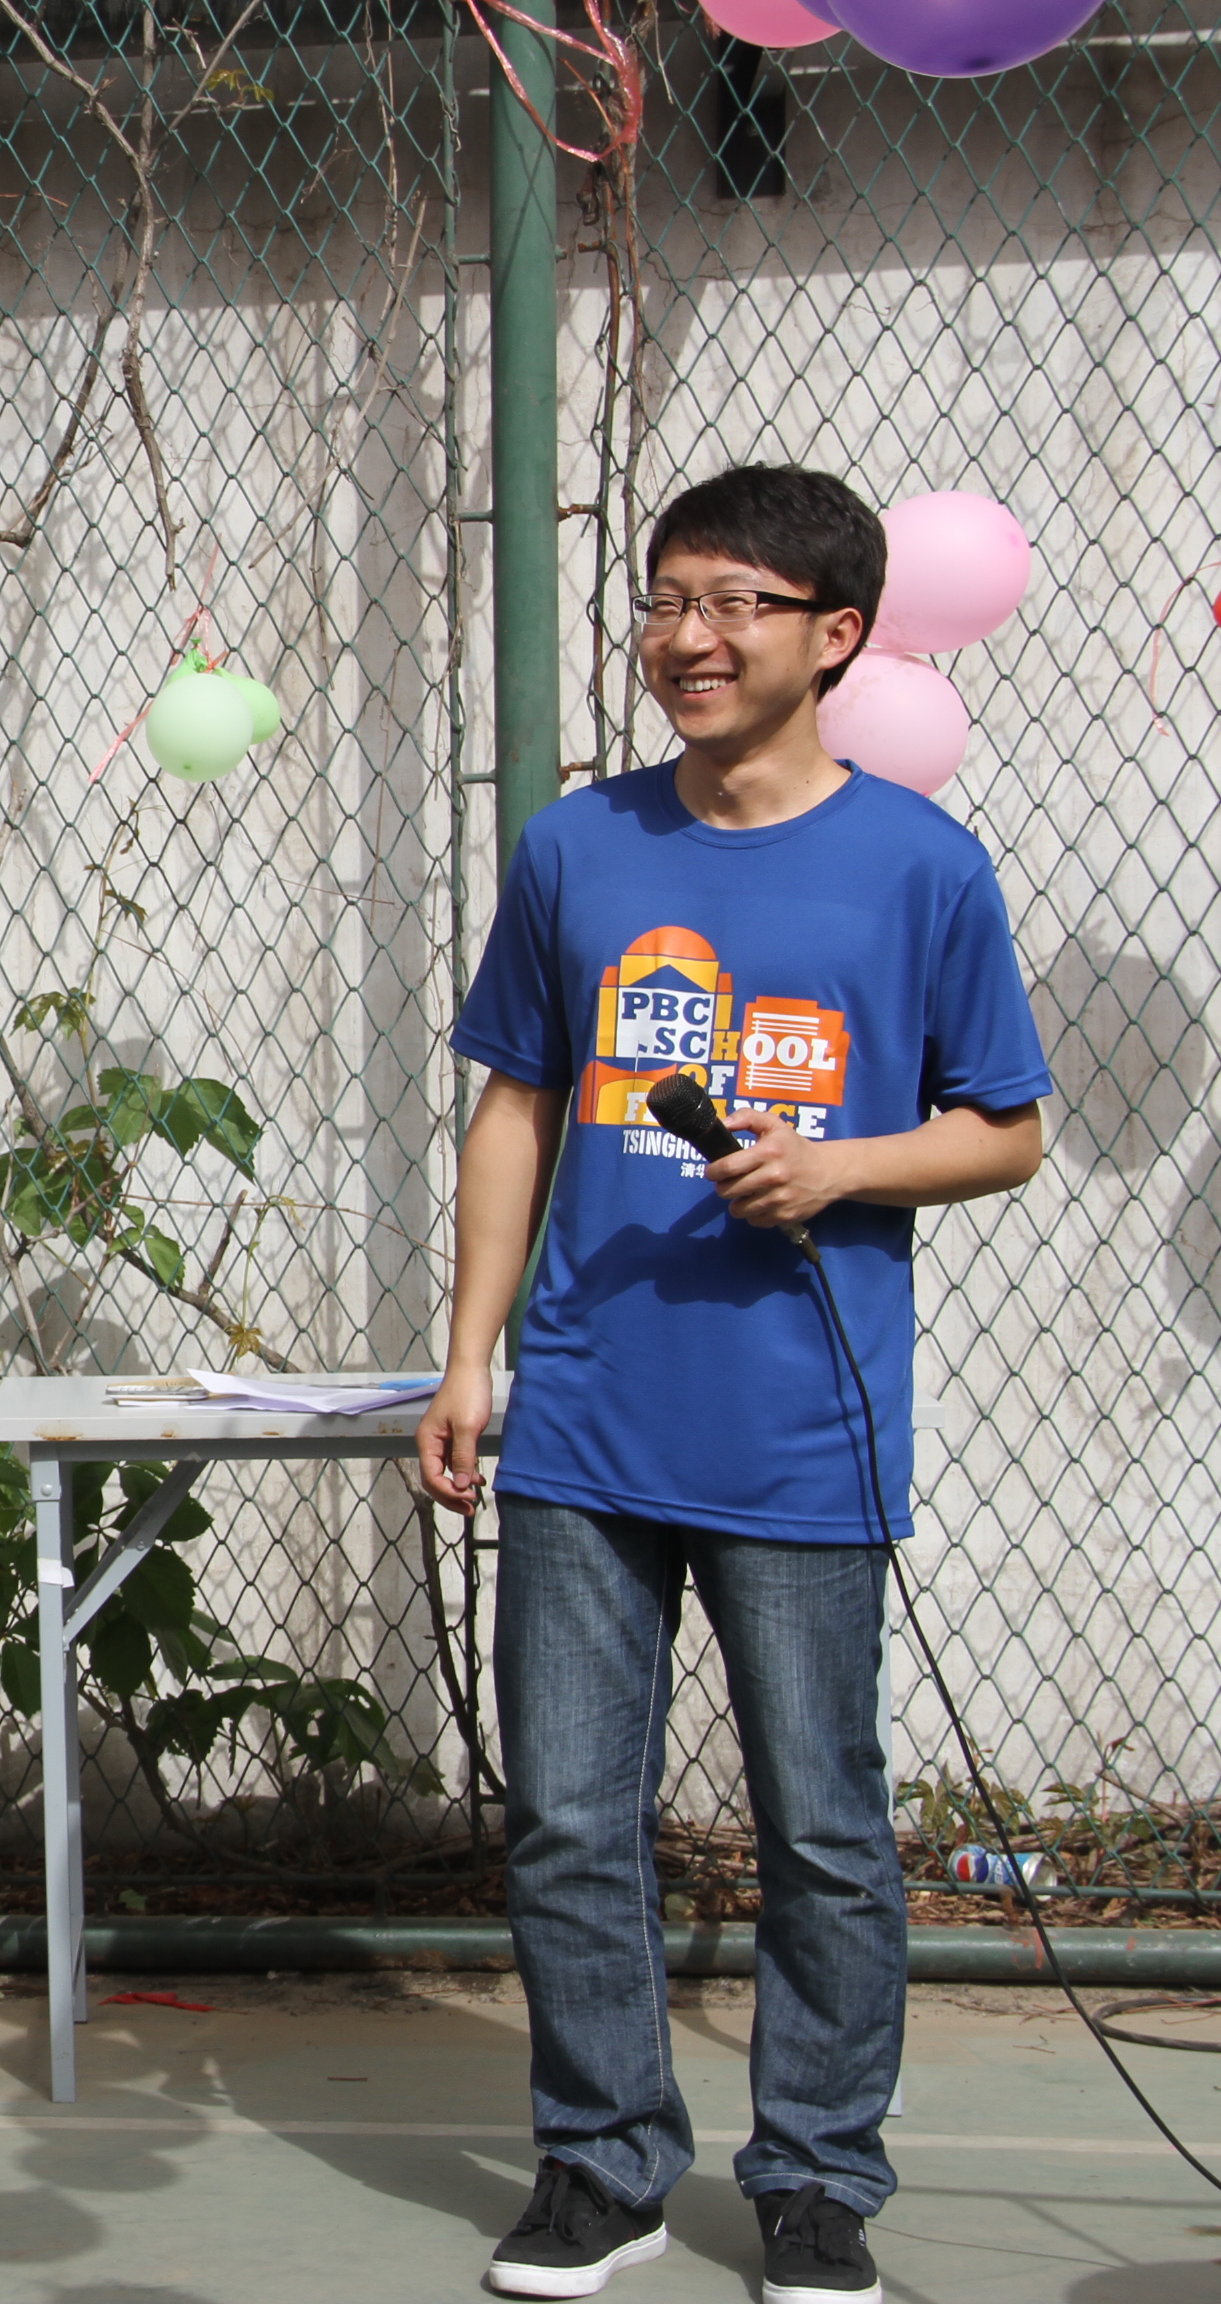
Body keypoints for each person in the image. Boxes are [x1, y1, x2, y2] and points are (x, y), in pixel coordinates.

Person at [416, 466, 1052, 2304]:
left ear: (837, 636)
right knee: (567, 1818)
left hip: (802, 1431)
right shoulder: (579, 848)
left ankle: (819, 2181)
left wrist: (841, 1168)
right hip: (585, 1420)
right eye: (666, 599)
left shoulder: (922, 866)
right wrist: (471, 1356)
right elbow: (518, 1103)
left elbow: (1005, 1131)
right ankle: (602, 2163)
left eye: (736, 605)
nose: (687, 638)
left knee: (823, 1830)